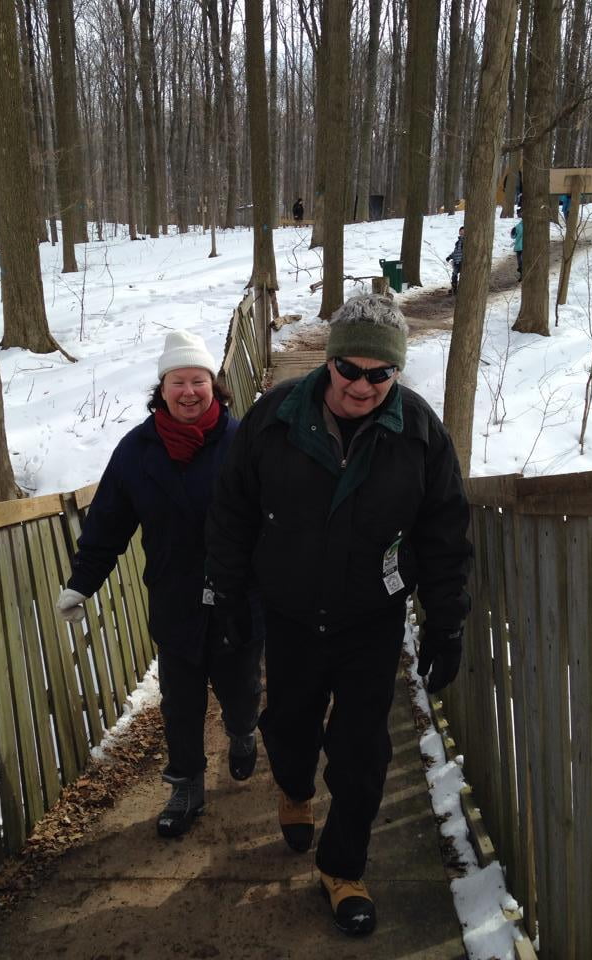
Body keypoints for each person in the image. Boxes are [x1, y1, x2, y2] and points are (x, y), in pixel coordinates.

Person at [204, 295, 471, 937]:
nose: (362, 386)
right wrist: (227, 598)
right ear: (328, 362)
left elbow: (443, 531)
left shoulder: (420, 435)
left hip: (370, 620)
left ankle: (343, 867)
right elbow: (232, 514)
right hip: (292, 615)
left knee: (363, 748)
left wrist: (448, 620)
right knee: (289, 726)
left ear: (398, 374)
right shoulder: (274, 420)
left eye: (381, 375)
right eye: (349, 370)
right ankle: (294, 789)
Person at [56, 331, 262, 839]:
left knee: (239, 690)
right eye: (178, 381)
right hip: (175, 599)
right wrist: (82, 583)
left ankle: (242, 731)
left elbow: (277, 518)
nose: (188, 391)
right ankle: (185, 785)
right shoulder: (137, 451)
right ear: (162, 388)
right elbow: (108, 522)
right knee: (180, 699)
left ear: (215, 385)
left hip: (237, 600)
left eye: (198, 380)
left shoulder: (243, 444)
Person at [445, 225, 464, 295]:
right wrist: (449, 257)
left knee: (461, 275)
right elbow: (455, 252)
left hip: (462, 261)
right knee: (454, 275)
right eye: (461, 231)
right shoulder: (458, 242)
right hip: (456, 261)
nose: (462, 233)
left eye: (463, 232)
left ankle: (459, 289)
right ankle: (454, 289)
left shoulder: (465, 241)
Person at [511, 213, 523, 281]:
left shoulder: (518, 226)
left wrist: (513, 233)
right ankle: (522, 274)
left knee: (521, 261)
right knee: (521, 261)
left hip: (520, 247)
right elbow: (514, 236)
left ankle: (522, 274)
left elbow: (513, 236)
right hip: (521, 247)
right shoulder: (518, 226)